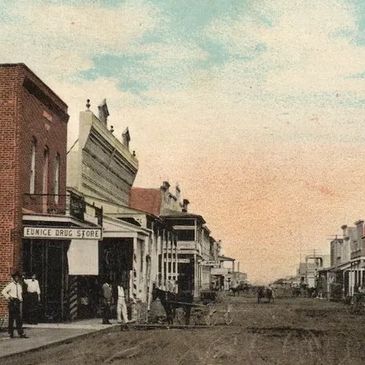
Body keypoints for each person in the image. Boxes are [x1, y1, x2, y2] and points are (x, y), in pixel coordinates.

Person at [1, 272, 28, 338]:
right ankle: (11, 333)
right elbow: (3, 291)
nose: (17, 278)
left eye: (18, 277)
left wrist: (20, 300)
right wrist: (9, 297)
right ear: (14, 278)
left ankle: (20, 333)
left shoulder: (19, 286)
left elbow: (19, 294)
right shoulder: (11, 285)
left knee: (18, 318)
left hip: (17, 302)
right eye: (15, 277)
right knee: (11, 318)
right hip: (12, 302)